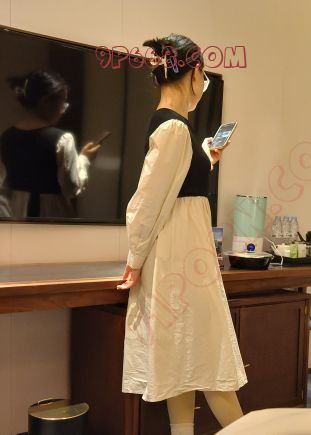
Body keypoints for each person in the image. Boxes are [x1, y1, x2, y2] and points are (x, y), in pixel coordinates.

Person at [116, 34, 247, 435]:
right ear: (194, 74)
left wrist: (206, 157)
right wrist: (135, 260)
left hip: (181, 255)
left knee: (184, 357)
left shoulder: (174, 128)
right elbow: (146, 202)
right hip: (182, 258)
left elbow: (173, 188)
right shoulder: (174, 128)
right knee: (209, 357)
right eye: (202, 79)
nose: (202, 87)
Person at [0, 69, 101, 218]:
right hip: (50, 214)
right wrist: (85, 159)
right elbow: (71, 188)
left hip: (13, 213)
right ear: (46, 102)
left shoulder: (7, 136)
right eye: (63, 102)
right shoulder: (62, 139)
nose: (63, 110)